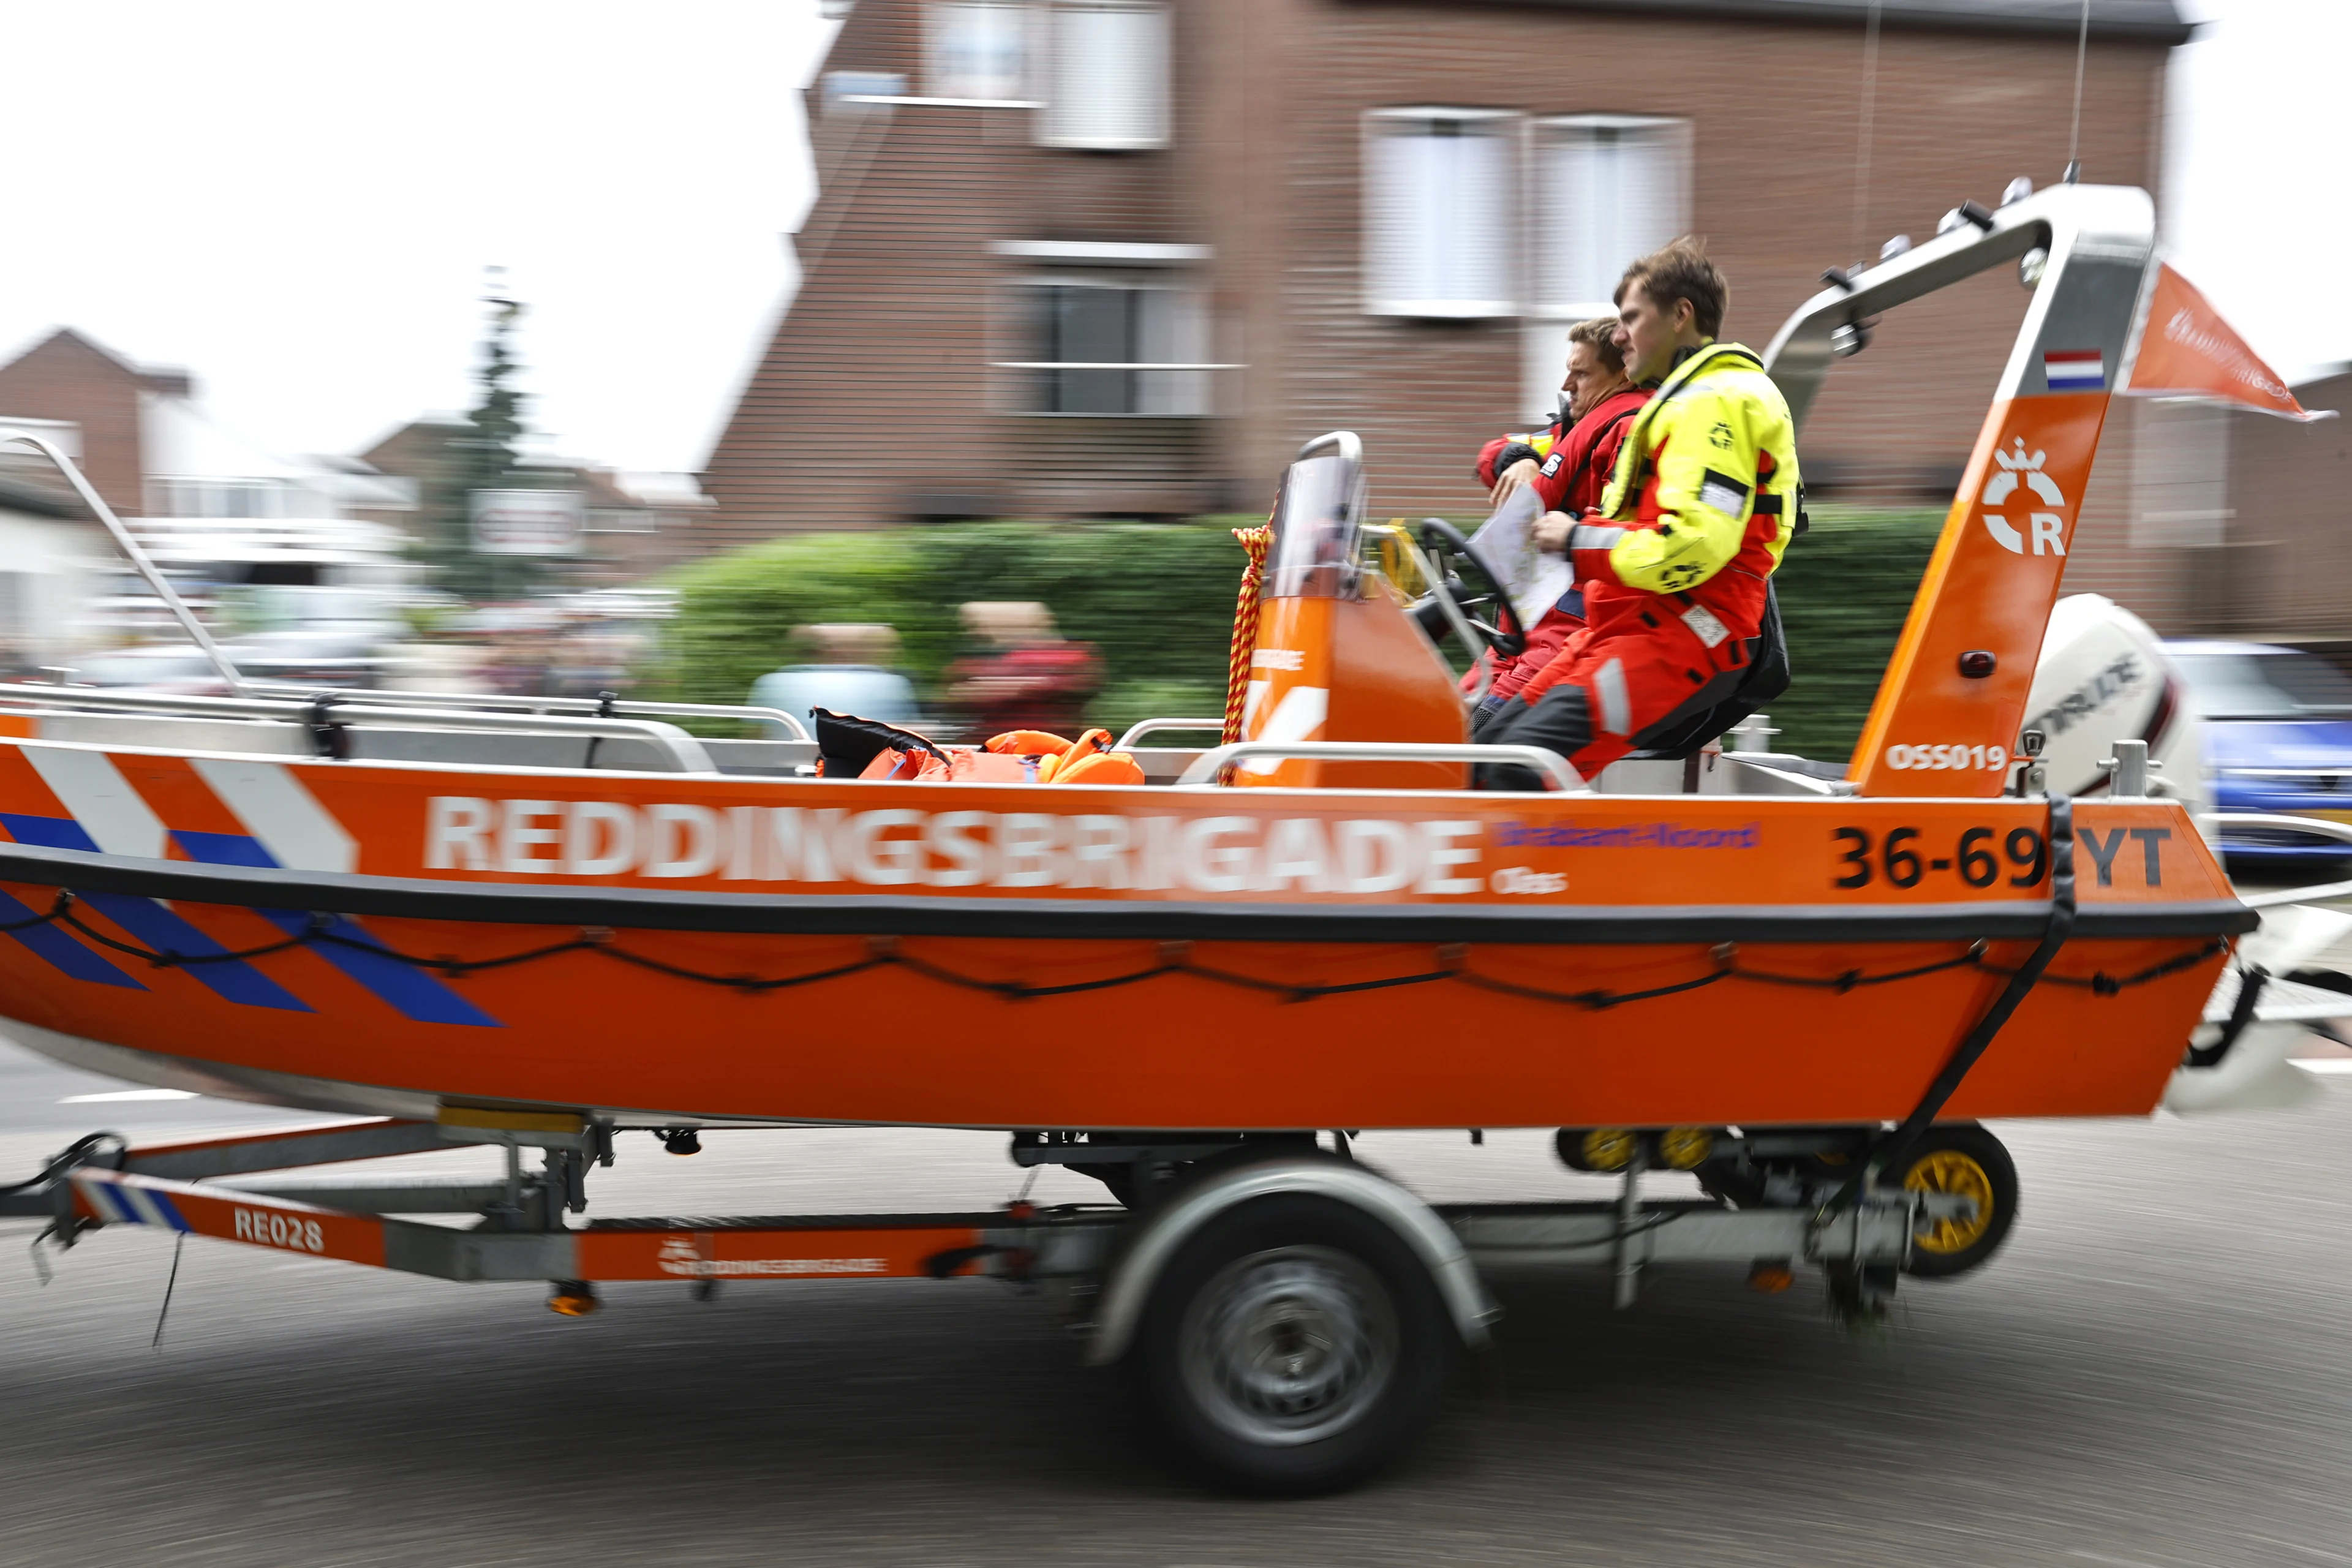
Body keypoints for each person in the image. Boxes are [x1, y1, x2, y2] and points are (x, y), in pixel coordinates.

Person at [1477, 238, 1800, 782]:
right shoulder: (1684, 402)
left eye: (1630, 317)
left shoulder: (1714, 403)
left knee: (1514, 772)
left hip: (1683, 635)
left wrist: (1575, 539)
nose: (1619, 334)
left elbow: (1693, 545)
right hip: (1625, 626)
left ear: (1680, 315)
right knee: (1485, 757)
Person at [1465, 318, 1651, 719]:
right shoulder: (1570, 430)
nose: (1568, 385)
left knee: (1472, 741)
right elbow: (1493, 451)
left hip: (1565, 631)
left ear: (1624, 374)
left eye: (1581, 373)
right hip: (1520, 633)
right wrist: (1521, 460)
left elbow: (1627, 539)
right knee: (1437, 727)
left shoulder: (1630, 435)